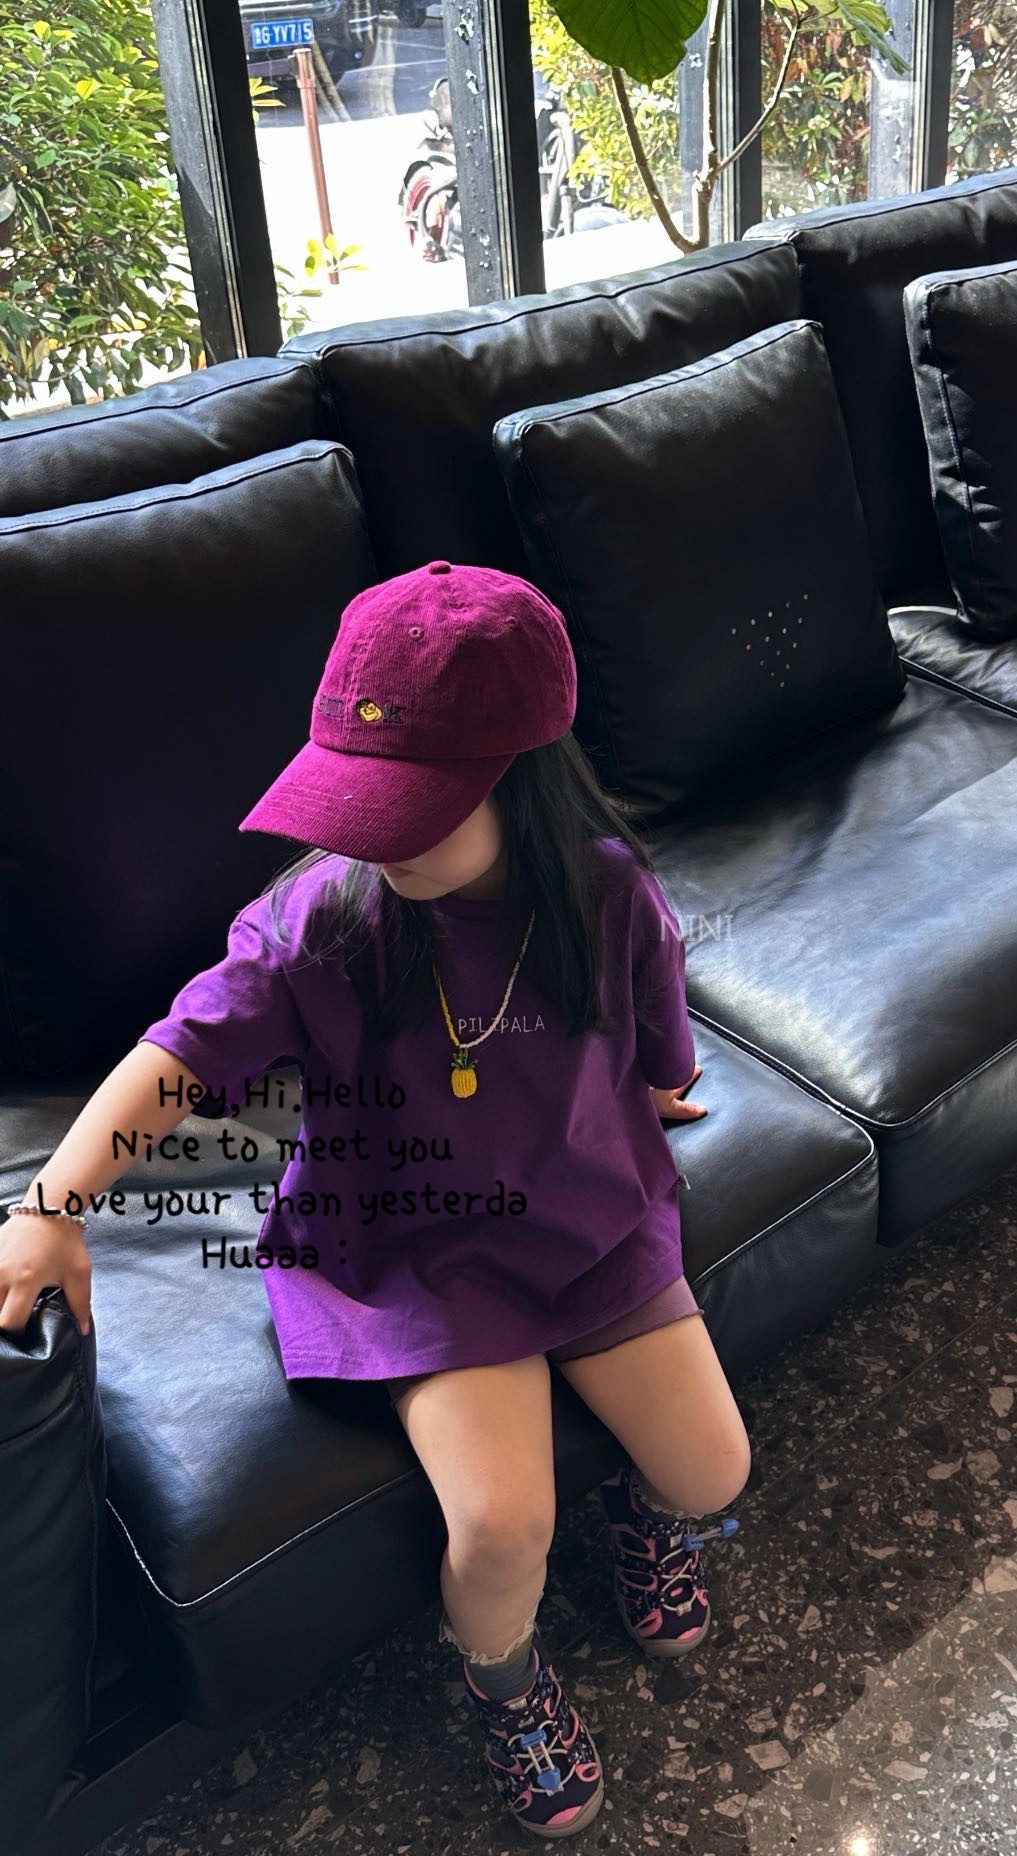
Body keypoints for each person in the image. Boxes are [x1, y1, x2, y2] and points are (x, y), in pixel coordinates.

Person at [0, 560, 751, 1840]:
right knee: (503, 1524)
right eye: (356, 800)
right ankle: (504, 1682)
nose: (369, 836)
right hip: (409, 1251)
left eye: (410, 809)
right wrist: (50, 1201)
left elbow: (657, 1032)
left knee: (710, 1465)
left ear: (519, 775)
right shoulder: (324, 916)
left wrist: (657, 1088)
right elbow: (181, 1053)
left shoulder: (610, 892)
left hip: (590, 1219)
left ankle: (644, 1519)